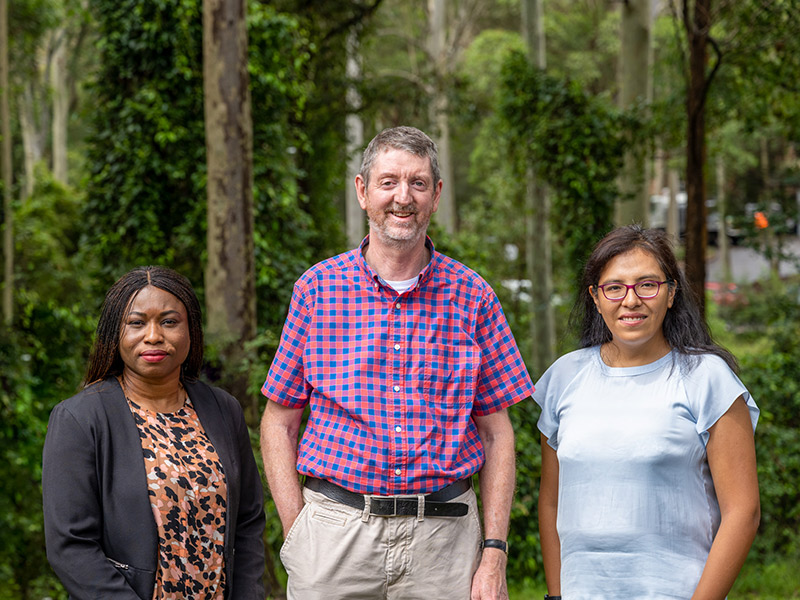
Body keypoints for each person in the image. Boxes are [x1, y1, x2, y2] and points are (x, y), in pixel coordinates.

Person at [260, 126, 534, 600]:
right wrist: (297, 533)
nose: (403, 197)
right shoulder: (316, 290)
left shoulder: (473, 296)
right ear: (363, 191)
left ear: (436, 195)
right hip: (335, 538)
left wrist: (494, 553)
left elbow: (497, 434)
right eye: (388, 182)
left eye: (418, 183)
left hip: (445, 543)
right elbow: (279, 422)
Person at [535, 225, 760, 600]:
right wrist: (557, 595)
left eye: (647, 285)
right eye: (614, 287)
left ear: (671, 293)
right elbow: (551, 502)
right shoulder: (564, 377)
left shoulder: (708, 379)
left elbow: (743, 511)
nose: (631, 300)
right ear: (595, 297)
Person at [42, 266, 266, 600]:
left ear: (191, 330)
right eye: (136, 323)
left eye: (169, 322)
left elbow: (248, 521)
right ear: (115, 333)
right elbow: (71, 546)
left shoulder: (223, 409)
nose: (153, 336)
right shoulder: (80, 419)